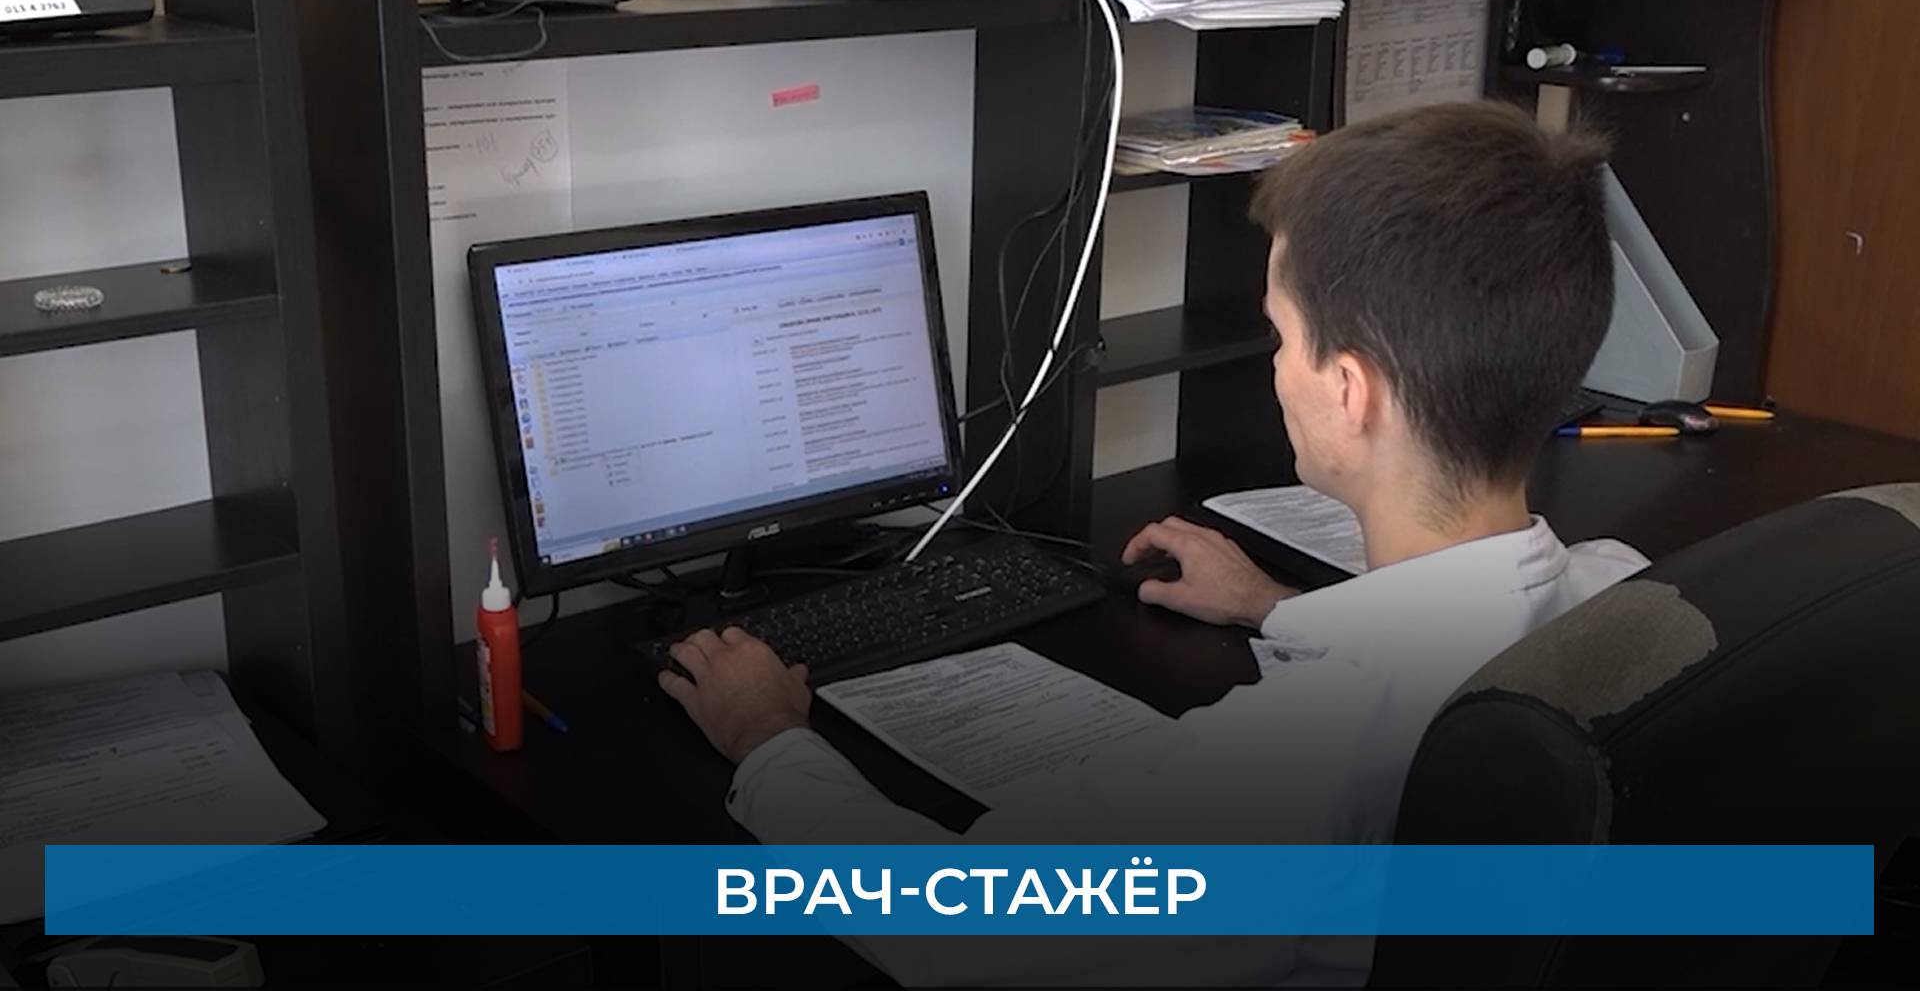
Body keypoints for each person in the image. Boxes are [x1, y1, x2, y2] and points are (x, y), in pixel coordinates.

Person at [655, 101, 1651, 985]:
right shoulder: (1629, 598)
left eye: (1281, 336)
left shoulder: (1298, 767)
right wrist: (1275, 607)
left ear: (1349, 393)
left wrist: (767, 738)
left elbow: (947, 929)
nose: (1276, 368)